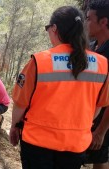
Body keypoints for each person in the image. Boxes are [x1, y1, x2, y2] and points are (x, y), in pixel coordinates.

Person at [9, 6, 109, 169]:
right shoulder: (102, 64)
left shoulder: (39, 61)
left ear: (54, 28)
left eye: (48, 28)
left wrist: (14, 127)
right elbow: (97, 108)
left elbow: (21, 103)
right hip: (75, 145)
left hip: (37, 143)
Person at [86, 1, 109, 168]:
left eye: (89, 19)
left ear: (103, 22)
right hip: (86, 117)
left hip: (101, 122)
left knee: (99, 159)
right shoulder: (93, 47)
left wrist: (101, 131)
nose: (86, 23)